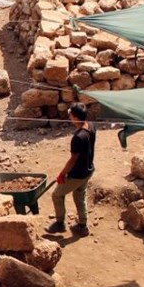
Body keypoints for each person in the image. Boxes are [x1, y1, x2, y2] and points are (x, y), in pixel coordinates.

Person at [47, 101, 95, 236]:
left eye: (70, 115)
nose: (69, 118)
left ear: (75, 117)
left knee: (57, 194)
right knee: (79, 196)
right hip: (88, 170)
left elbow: (73, 160)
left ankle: (60, 223)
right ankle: (82, 225)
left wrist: (62, 174)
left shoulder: (78, 138)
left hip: (78, 174)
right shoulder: (91, 127)